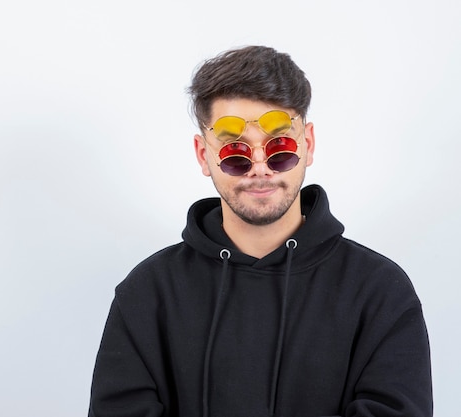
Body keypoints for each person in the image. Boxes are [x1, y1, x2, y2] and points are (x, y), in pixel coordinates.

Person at [88, 45, 432, 417]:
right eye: (234, 151)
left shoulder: (380, 292)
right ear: (204, 156)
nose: (260, 168)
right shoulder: (147, 293)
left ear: (308, 144)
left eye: (279, 146)